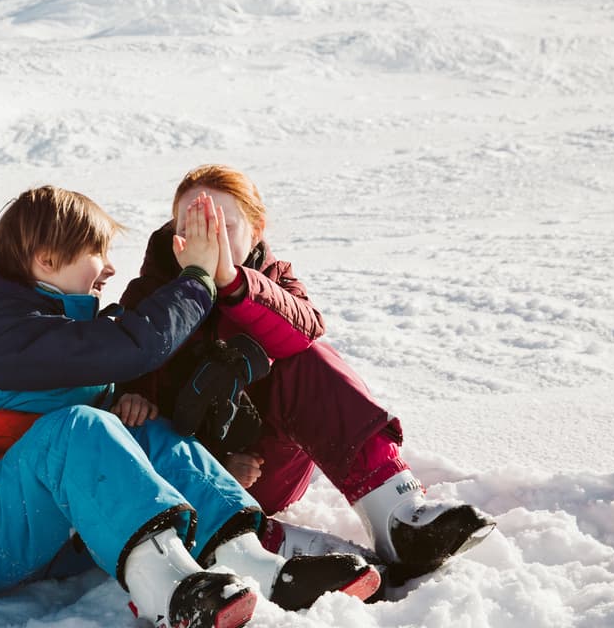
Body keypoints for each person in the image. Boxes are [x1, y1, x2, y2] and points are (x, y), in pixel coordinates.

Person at [0, 185, 381, 628]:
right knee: (76, 428)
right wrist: (198, 278)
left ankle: (250, 558)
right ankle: (170, 589)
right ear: (47, 259)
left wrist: (122, 401)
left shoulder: (53, 329)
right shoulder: (2, 335)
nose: (109, 270)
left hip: (56, 533)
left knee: (140, 426)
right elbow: (132, 345)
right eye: (96, 253)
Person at [119, 164, 495, 580]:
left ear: (257, 230)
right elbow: (131, 364)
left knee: (306, 356)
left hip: (267, 465)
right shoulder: (151, 291)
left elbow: (303, 331)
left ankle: (398, 514)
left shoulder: (275, 279)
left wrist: (230, 281)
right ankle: (271, 548)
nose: (208, 240)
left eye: (224, 227)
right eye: (193, 227)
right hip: (193, 472)